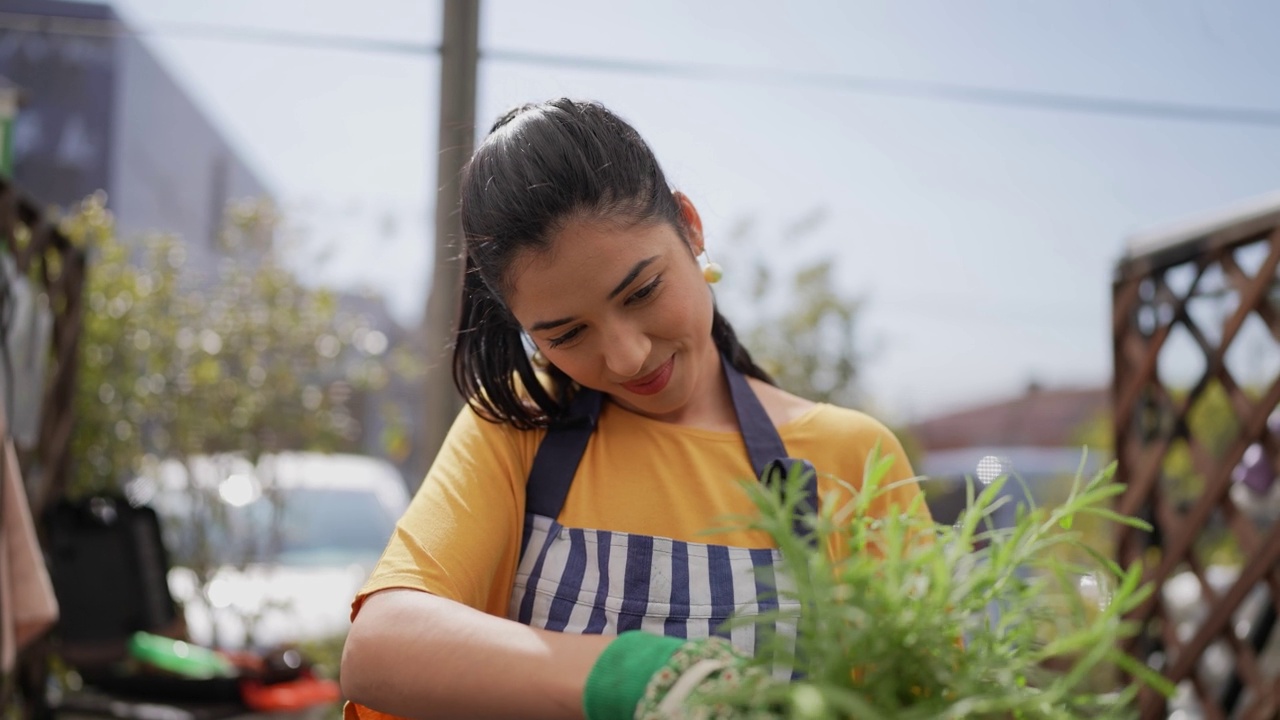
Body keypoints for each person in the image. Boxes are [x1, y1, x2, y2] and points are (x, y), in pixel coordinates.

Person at [340, 98, 926, 720]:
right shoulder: (521, 424)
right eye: (566, 335)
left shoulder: (850, 457)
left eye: (642, 291)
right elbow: (379, 647)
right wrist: (635, 675)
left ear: (690, 226)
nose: (626, 357)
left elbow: (933, 692)